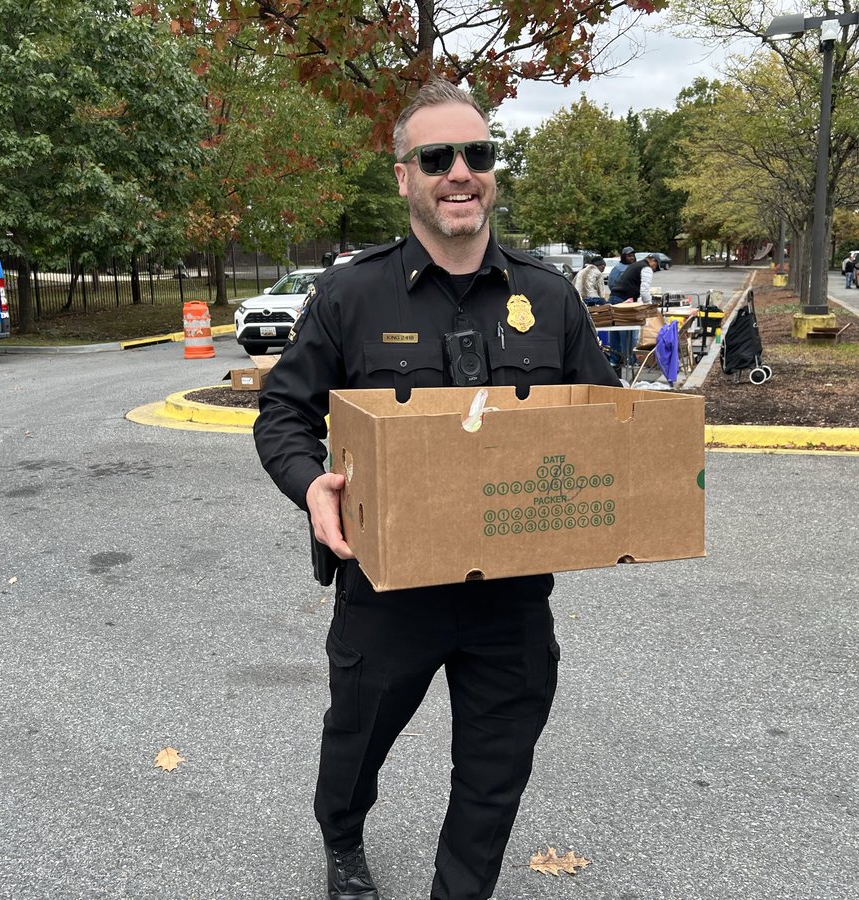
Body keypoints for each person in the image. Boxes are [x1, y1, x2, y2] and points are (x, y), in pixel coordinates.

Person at [254, 80, 620, 900]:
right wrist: (312, 487)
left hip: (512, 593)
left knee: (496, 771)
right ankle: (341, 840)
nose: (461, 172)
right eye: (437, 157)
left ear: (492, 170)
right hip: (388, 587)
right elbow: (282, 412)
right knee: (356, 738)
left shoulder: (549, 297)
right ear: (403, 176)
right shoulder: (352, 295)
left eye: (478, 155)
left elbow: (607, 427)